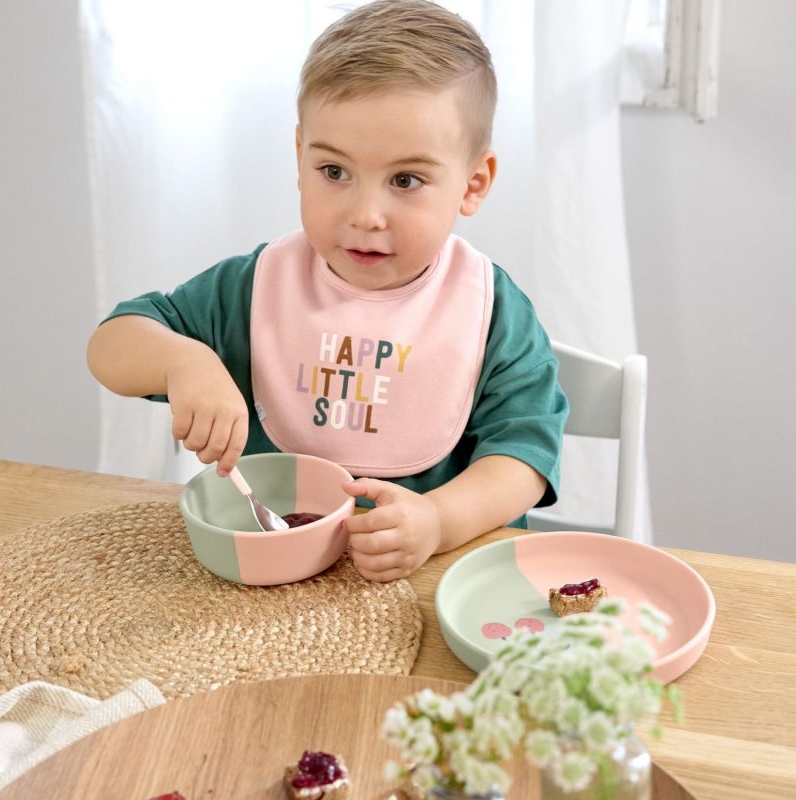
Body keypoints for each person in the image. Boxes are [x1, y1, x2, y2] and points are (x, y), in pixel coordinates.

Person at [87, 0, 568, 582]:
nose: (365, 214)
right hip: (271, 597)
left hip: (432, 582)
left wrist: (438, 520)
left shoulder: (490, 309)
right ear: (299, 158)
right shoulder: (256, 287)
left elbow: (525, 456)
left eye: (406, 180)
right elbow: (111, 346)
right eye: (334, 172)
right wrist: (181, 360)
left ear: (473, 184)